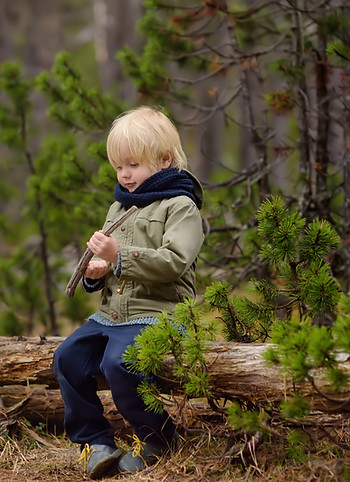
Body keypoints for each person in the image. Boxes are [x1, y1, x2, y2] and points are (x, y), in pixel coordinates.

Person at [53, 105, 204, 479]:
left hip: (159, 313)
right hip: (112, 315)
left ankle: (157, 438)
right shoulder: (120, 205)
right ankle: (96, 441)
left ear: (165, 159)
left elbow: (175, 261)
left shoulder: (181, 206)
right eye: (119, 166)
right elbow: (109, 267)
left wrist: (119, 255)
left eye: (133, 164)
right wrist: (97, 272)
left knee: (119, 363)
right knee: (68, 357)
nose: (124, 174)